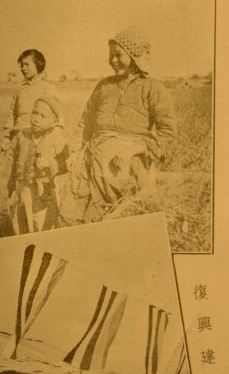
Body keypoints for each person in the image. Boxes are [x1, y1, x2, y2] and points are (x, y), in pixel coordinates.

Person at [59, 25, 177, 225]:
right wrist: (72, 150)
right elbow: (85, 123)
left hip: (124, 169)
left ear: (134, 55)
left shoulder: (153, 88)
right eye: (110, 55)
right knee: (68, 216)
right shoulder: (104, 86)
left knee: (112, 222)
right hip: (89, 161)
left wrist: (133, 150)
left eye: (118, 55)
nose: (113, 60)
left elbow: (168, 135)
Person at [8, 96, 69, 233]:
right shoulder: (22, 135)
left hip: (44, 191)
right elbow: (14, 162)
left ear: (54, 122)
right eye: (35, 113)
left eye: (43, 116)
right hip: (23, 188)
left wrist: (50, 164)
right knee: (20, 220)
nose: (36, 119)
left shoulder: (56, 139)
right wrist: (11, 184)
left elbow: (65, 163)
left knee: (42, 223)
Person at [1, 48, 62, 151]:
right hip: (17, 140)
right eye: (21, 65)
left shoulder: (48, 88)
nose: (23, 69)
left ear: (38, 64)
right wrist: (7, 138)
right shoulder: (19, 91)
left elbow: (59, 117)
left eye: (27, 64)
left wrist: (53, 139)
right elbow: (12, 115)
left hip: (39, 142)